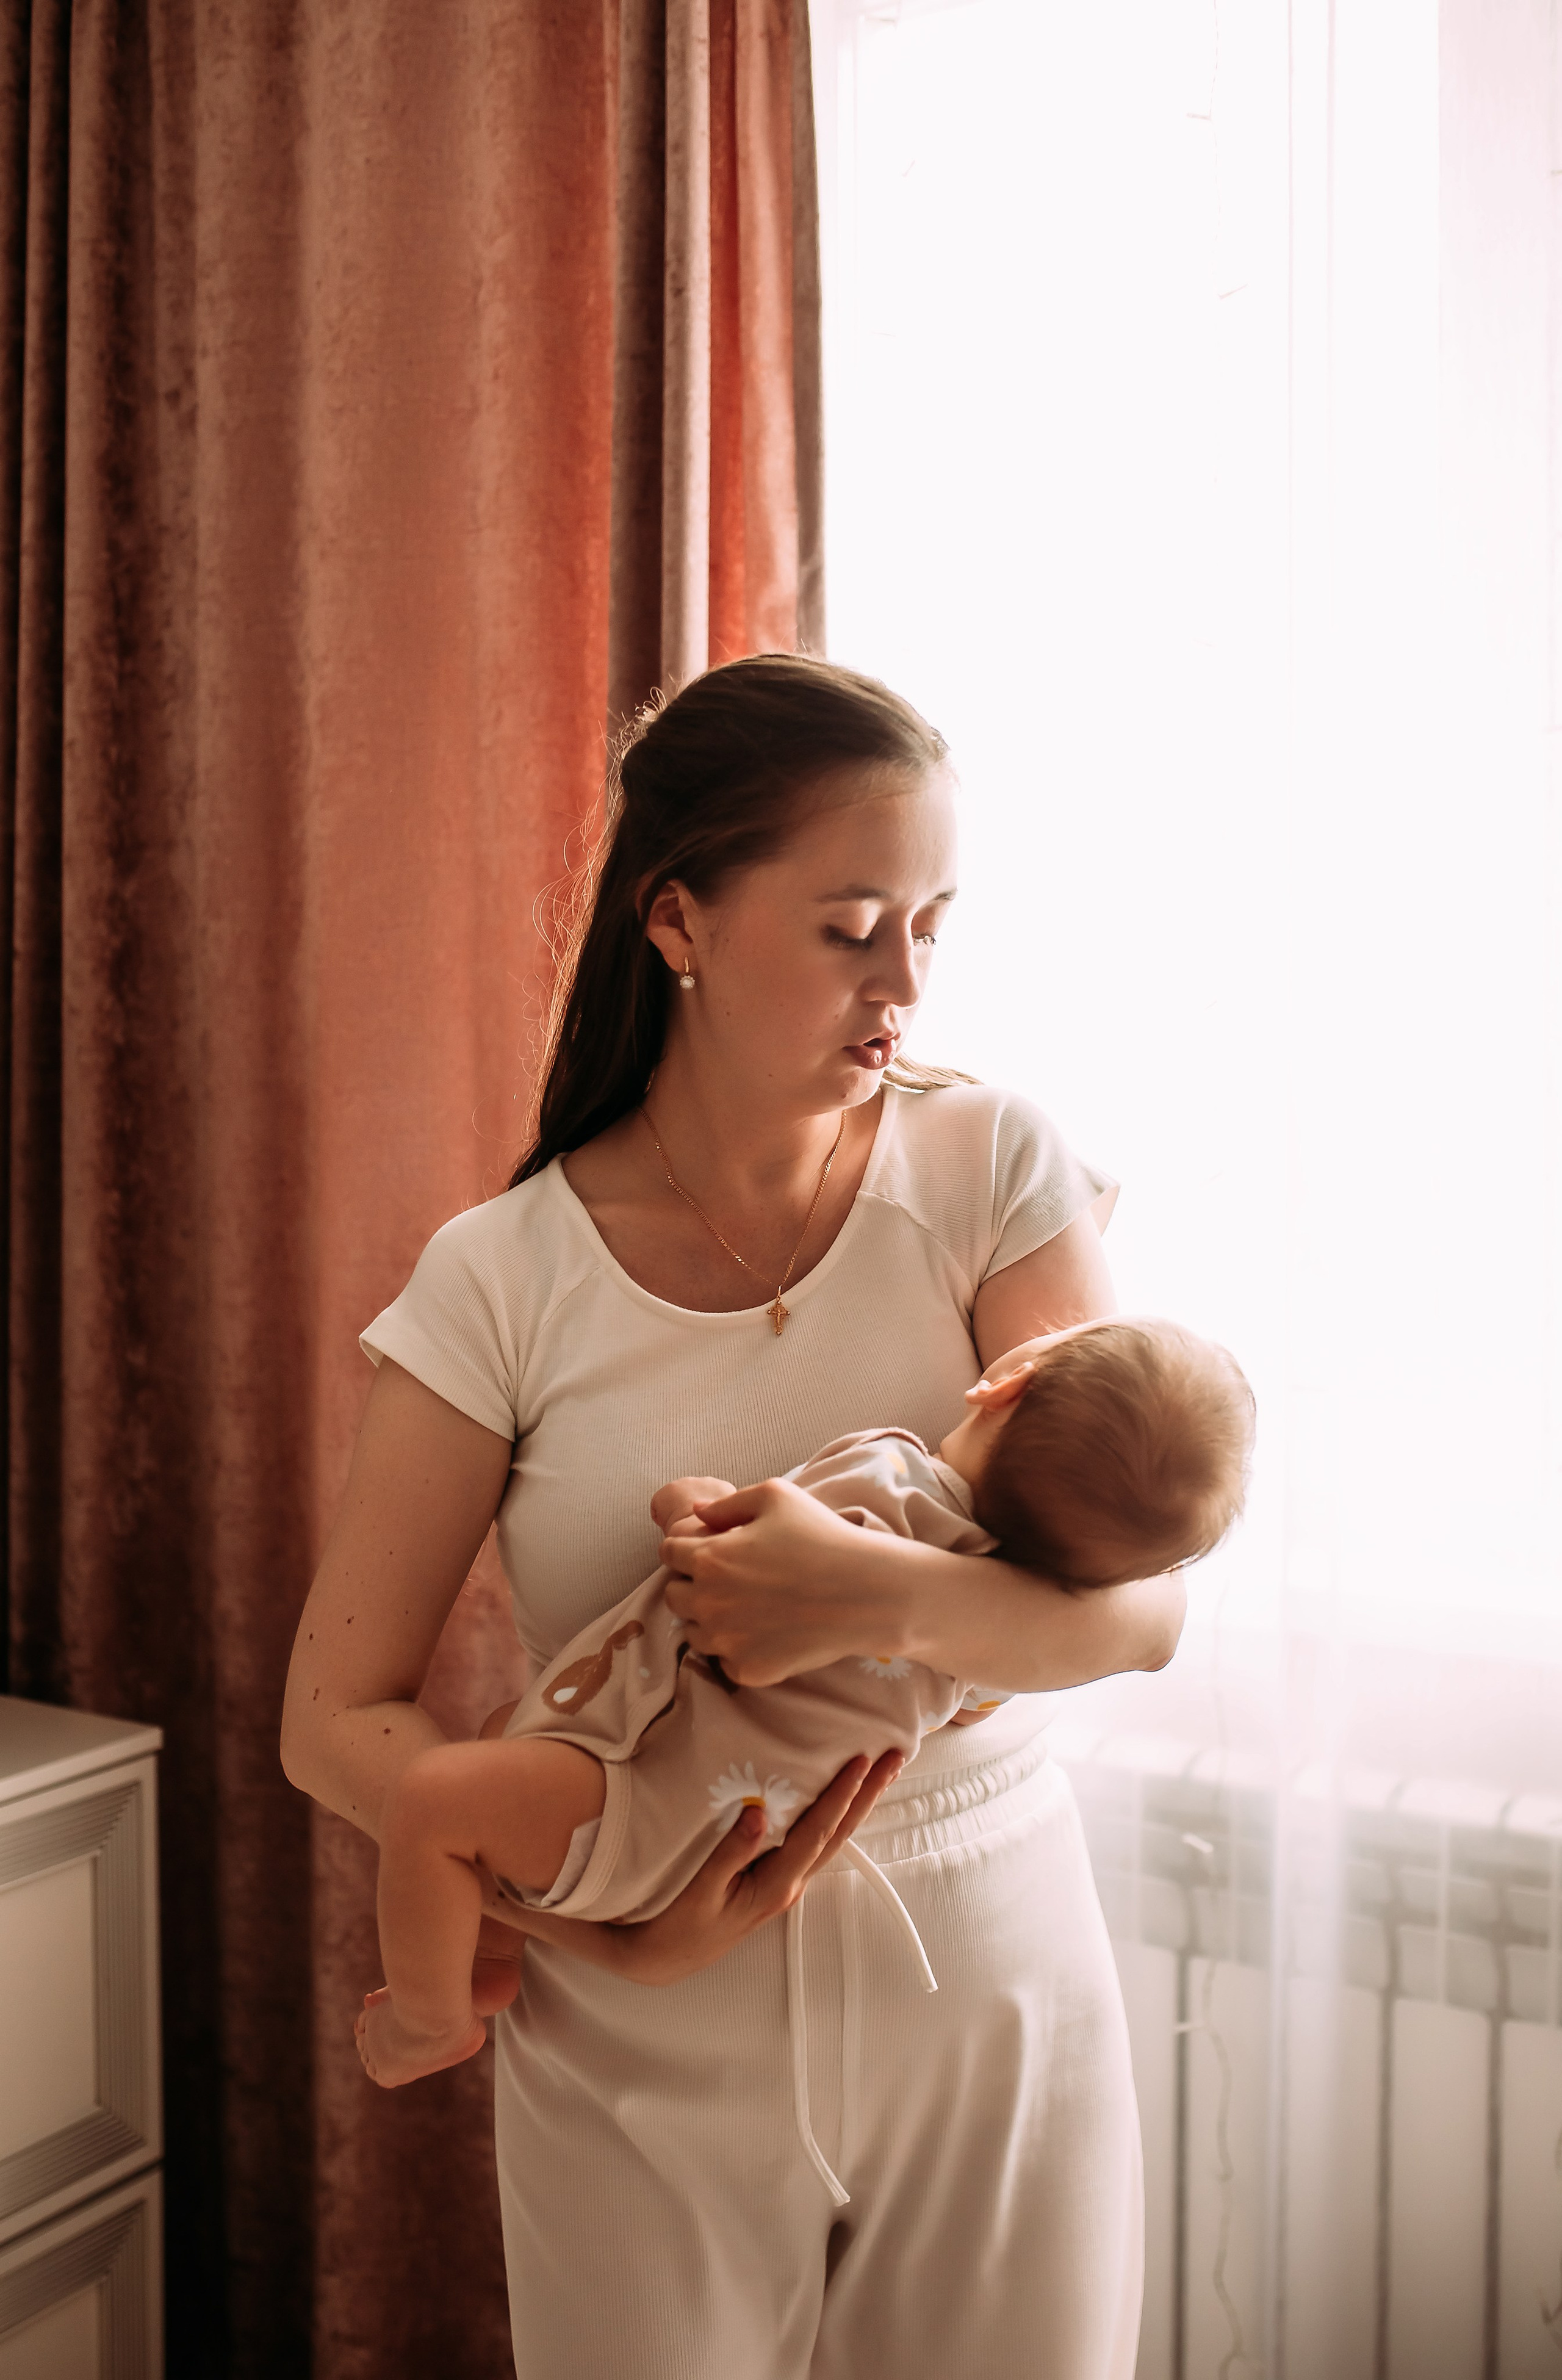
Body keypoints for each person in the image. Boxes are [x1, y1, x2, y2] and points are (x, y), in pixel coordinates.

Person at [281, 654, 1193, 2380]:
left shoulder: (992, 1167)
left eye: (934, 919)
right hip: (637, 2029)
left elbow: (1140, 1613)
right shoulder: (502, 1274)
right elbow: (329, 1718)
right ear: (680, 920)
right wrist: (584, 1914)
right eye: (854, 924)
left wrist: (862, 1594)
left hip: (991, 1971)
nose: (908, 978)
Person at [351, 1316, 1253, 2165]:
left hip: (634, 1788)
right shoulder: (996, 1650)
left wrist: (687, 1499)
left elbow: (709, 1537)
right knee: (501, 1745)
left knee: (435, 1799)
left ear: (1006, 1382)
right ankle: (495, 1959)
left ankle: (430, 2023)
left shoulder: (887, 1480)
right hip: (717, 1835)